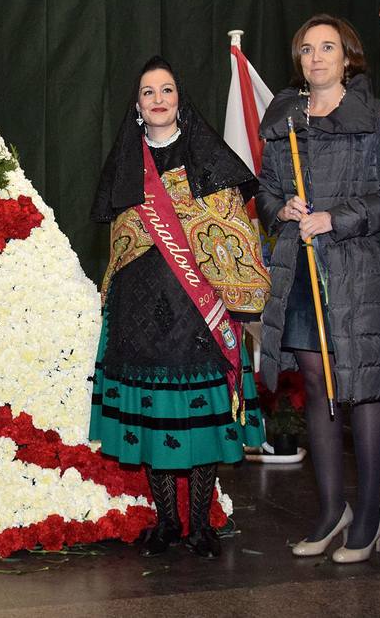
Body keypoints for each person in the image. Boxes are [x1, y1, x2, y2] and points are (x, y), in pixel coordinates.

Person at [89, 56, 270, 557]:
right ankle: (168, 522)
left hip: (198, 310)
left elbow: (231, 232)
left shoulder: (207, 157)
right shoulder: (127, 164)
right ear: (138, 106)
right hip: (140, 309)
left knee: (202, 422)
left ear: (179, 99)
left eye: (166, 89)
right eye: (148, 92)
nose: (158, 98)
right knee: (155, 420)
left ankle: (201, 525)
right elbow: (121, 240)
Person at [257, 15, 380, 563]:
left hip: (360, 270)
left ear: (348, 56)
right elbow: (267, 191)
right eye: (307, 49)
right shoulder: (283, 118)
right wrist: (284, 209)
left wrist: (332, 219)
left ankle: (369, 516)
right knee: (318, 385)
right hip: (301, 270)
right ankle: (331, 510)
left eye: (328, 48)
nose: (317, 57)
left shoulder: (374, 116)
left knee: (363, 386)